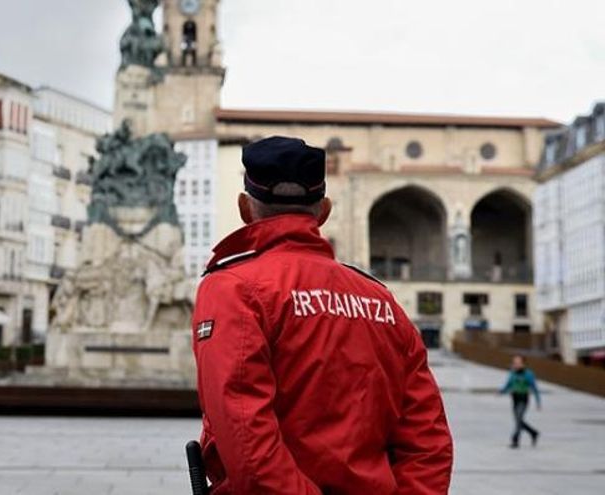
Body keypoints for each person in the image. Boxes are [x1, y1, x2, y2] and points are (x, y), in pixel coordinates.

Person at [191, 136, 453, 494]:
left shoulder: (233, 288)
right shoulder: (380, 300)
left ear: (244, 208)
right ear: (324, 210)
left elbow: (246, 439)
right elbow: (428, 439)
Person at [499, 355, 541, 448]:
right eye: (514, 363)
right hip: (515, 399)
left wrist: (538, 403)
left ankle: (515, 440)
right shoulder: (512, 373)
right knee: (518, 421)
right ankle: (533, 433)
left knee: (518, 420)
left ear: (523, 364)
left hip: (523, 399)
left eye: (518, 363)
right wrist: (502, 391)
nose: (516, 365)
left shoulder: (528, 374)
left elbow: (535, 389)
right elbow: (508, 384)